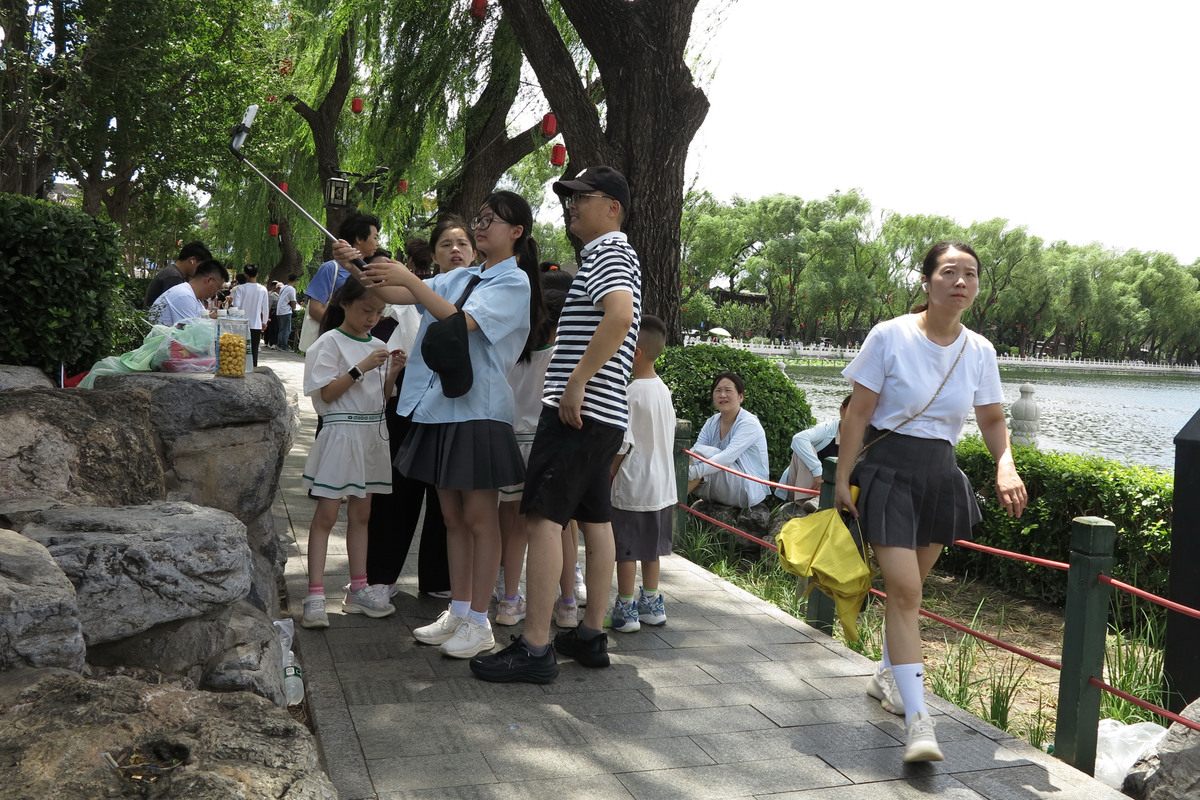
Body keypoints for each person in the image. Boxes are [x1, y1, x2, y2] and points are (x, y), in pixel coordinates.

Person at [834, 240, 1027, 763]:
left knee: (909, 595)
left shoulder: (980, 350)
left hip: (940, 475)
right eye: (948, 272)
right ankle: (920, 722)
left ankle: (885, 676)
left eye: (970, 274)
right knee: (904, 592)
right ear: (927, 282)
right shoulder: (890, 336)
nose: (960, 281)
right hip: (888, 470)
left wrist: (1004, 463)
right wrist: (842, 475)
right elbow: (858, 412)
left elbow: (990, 419)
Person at [350, 193, 545, 660]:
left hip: (478, 410)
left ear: (516, 231)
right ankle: (459, 610)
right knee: (453, 519)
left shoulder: (514, 282)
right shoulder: (465, 275)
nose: (481, 227)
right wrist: (361, 263)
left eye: (490, 221)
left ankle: (480, 621)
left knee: (479, 520)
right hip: (439, 407)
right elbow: (397, 293)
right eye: (479, 218)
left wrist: (413, 284)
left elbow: (459, 322)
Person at [470, 165, 640, 684]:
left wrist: (575, 382)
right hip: (605, 412)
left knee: (542, 518)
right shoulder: (617, 253)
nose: (571, 205)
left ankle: (537, 645)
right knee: (596, 519)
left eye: (580, 197)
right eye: (568, 197)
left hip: (578, 410)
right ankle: (589, 633)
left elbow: (619, 315)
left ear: (611, 206)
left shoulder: (608, 250)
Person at [363, 229, 468, 603]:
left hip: (460, 402)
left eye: (463, 244)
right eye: (446, 245)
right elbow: (387, 291)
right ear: (433, 255)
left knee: (448, 501)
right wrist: (355, 262)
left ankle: (440, 577)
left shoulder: (488, 285)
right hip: (413, 395)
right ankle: (380, 577)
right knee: (397, 491)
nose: (455, 250)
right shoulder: (427, 285)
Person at [299, 278, 405, 629]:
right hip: (341, 433)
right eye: (365, 310)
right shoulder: (328, 343)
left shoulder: (377, 344)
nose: (372, 318)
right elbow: (327, 395)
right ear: (344, 304)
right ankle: (315, 595)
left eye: (378, 311)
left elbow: (381, 399)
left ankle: (358, 589)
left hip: (371, 434)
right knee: (327, 515)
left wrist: (392, 373)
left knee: (363, 514)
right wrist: (361, 367)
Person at [493, 269, 569, 627]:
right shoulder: (560, 359)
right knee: (553, 528)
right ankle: (565, 601)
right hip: (544, 449)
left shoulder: (513, 356)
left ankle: (509, 601)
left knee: (509, 526)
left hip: (511, 447)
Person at [604, 315, 677, 632]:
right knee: (652, 548)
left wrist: (607, 475)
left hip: (634, 485)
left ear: (636, 351)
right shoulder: (664, 390)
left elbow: (623, 445)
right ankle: (652, 604)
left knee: (626, 550)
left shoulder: (630, 393)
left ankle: (625, 609)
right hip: (663, 486)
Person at [686, 372, 770, 508]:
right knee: (693, 454)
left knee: (703, 454)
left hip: (748, 487)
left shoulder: (748, 423)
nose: (722, 395)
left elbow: (727, 457)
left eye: (728, 390)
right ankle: (668, 510)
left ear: (740, 397)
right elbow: (695, 451)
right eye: (718, 391)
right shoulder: (712, 422)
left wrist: (692, 472)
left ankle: (669, 510)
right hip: (723, 482)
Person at [306, 213, 381, 326]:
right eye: (375, 238)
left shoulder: (371, 272)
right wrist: (345, 331)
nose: (378, 243)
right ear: (359, 239)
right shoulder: (330, 269)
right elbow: (315, 309)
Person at [775, 394, 852, 503]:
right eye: (852, 410)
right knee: (803, 448)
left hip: (835, 492)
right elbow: (798, 439)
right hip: (806, 487)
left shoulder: (864, 440)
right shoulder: (828, 429)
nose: (856, 416)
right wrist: (818, 472)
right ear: (842, 410)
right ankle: (805, 502)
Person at [148, 259, 228, 327]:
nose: (216, 292)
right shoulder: (184, 295)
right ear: (209, 280)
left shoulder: (194, 298)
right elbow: (189, 335)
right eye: (218, 287)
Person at [143, 241, 212, 308]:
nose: (202, 271)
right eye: (202, 266)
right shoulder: (173, 277)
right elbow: (181, 307)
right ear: (192, 260)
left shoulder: (175, 273)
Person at [232, 264, 270, 367]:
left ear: (245, 275)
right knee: (253, 350)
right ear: (257, 274)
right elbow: (265, 308)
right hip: (256, 324)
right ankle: (253, 369)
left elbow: (236, 306)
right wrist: (264, 322)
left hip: (241, 324)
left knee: (239, 349)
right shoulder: (262, 289)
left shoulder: (240, 288)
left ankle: (238, 367)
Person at [276, 274, 300, 350]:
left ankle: (279, 344)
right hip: (286, 311)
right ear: (295, 280)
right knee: (287, 329)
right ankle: (284, 345)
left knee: (281, 329)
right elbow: (293, 301)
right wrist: (294, 307)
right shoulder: (292, 289)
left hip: (279, 311)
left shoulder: (283, 287)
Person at [265, 281, 281, 349]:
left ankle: (274, 342)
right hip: (273, 314)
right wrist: (267, 316)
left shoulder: (281, 295)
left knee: (276, 328)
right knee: (272, 328)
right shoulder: (272, 295)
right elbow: (269, 306)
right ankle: (271, 342)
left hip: (279, 313)